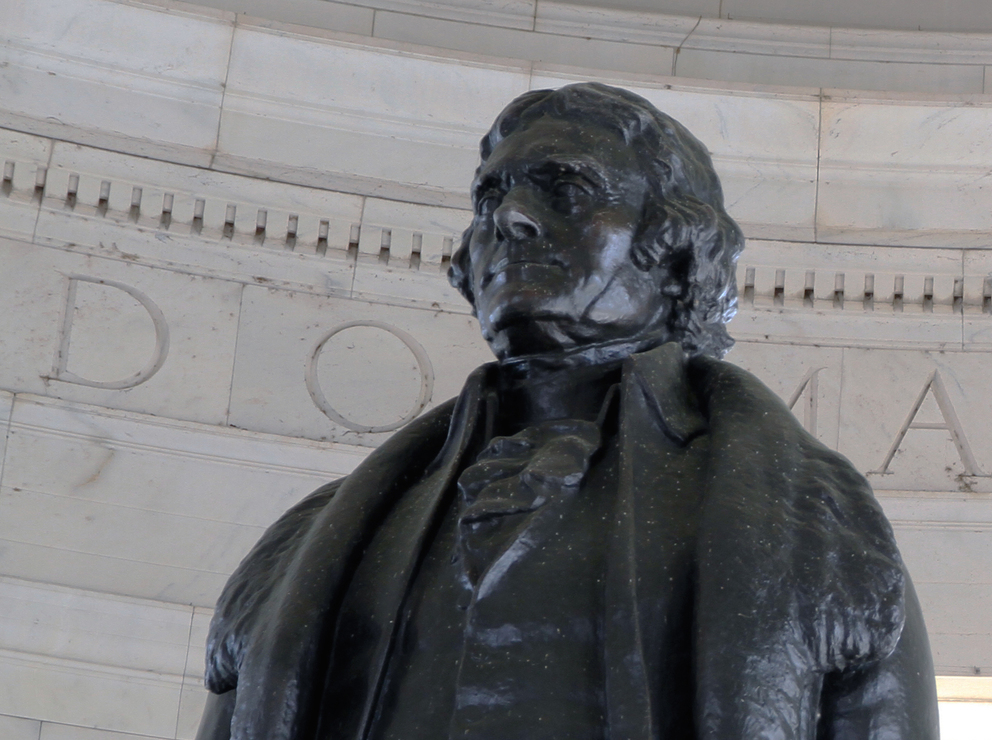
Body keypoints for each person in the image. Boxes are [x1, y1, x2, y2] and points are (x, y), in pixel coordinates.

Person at [197, 82, 938, 739]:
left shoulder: (820, 529)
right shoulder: (312, 542)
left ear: (675, 249)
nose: (512, 216)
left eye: (566, 188)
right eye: (492, 197)